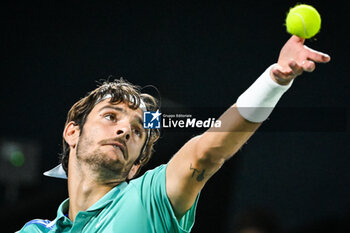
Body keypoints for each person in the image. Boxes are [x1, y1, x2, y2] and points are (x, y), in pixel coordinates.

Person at [18, 36, 330, 232]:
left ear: (136, 166)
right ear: (72, 132)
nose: (125, 129)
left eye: (138, 130)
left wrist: (274, 82)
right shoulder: (36, 231)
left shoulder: (151, 198)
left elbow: (207, 151)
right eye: (110, 116)